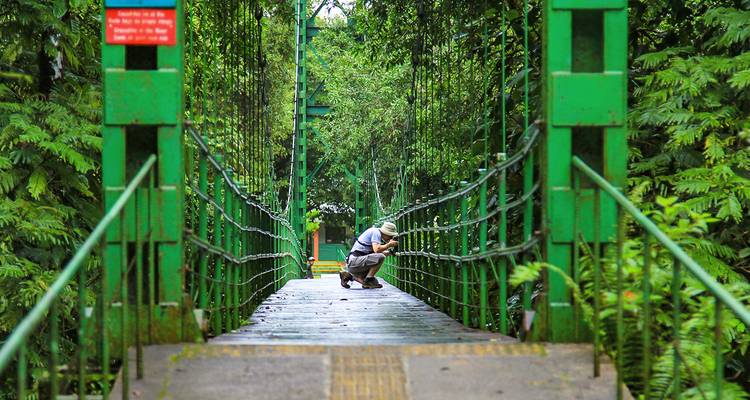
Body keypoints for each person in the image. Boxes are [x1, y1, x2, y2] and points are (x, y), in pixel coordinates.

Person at [339, 222, 399, 289]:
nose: (390, 238)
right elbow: (377, 250)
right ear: (386, 233)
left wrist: (391, 252)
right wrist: (389, 245)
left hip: (355, 262)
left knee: (374, 283)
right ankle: (368, 279)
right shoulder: (376, 232)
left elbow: (375, 254)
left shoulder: (375, 232)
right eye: (390, 236)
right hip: (355, 261)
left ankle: (349, 276)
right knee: (381, 257)